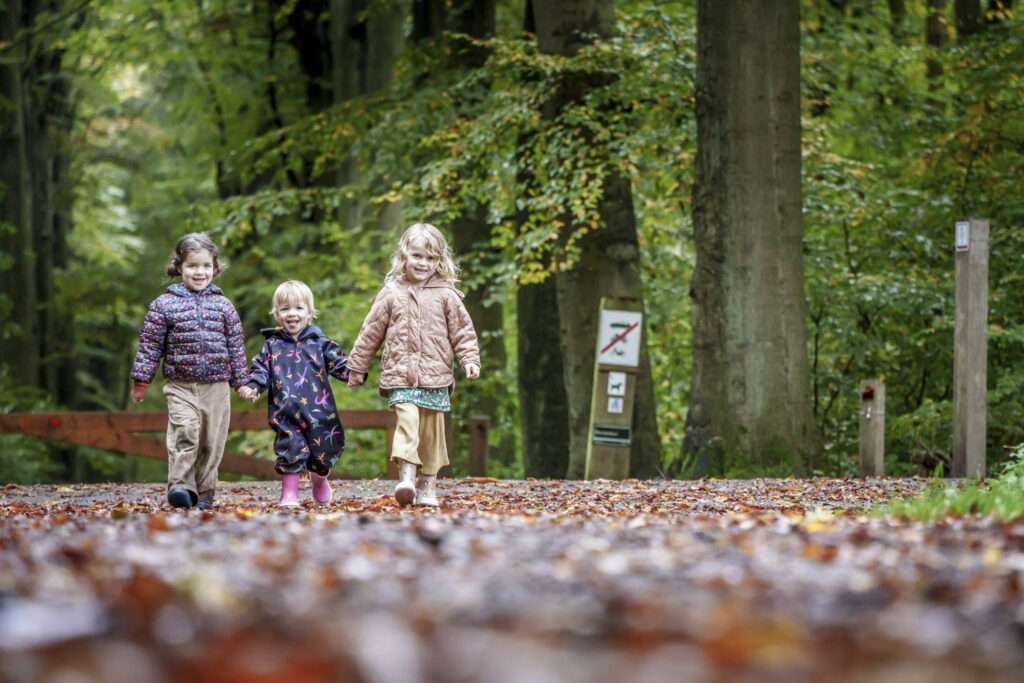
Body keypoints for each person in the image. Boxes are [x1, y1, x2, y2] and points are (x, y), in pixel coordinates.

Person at [347, 223, 480, 507]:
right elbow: (370, 331)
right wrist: (357, 368)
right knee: (407, 422)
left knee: (432, 433)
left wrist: (469, 359)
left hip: (436, 376)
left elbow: (462, 331)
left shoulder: (447, 295)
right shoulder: (391, 293)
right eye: (417, 256)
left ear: (440, 261)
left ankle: (428, 487)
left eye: (431, 258)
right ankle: (406, 477)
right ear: (404, 256)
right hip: (400, 375)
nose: (423, 263)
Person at [131, 232, 248, 510]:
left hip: (217, 386)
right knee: (187, 432)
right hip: (180, 385)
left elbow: (236, 348)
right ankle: (181, 486)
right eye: (193, 266)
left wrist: (241, 381)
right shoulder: (164, 305)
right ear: (180, 267)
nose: (200, 272)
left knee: (211, 442)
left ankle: (205, 494)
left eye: (206, 266)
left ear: (215, 268)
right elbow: (150, 345)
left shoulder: (223, 306)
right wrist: (141, 380)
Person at [238, 281, 350, 507]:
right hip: (286, 412)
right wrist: (253, 386)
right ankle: (289, 494)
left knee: (323, 452)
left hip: (320, 413)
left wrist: (355, 374)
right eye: (285, 309)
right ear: (277, 314)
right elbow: (261, 368)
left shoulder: (320, 343)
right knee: (290, 449)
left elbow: (342, 364)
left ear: (309, 312)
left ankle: (319, 479)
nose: (292, 314)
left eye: (298, 308)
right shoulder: (272, 345)